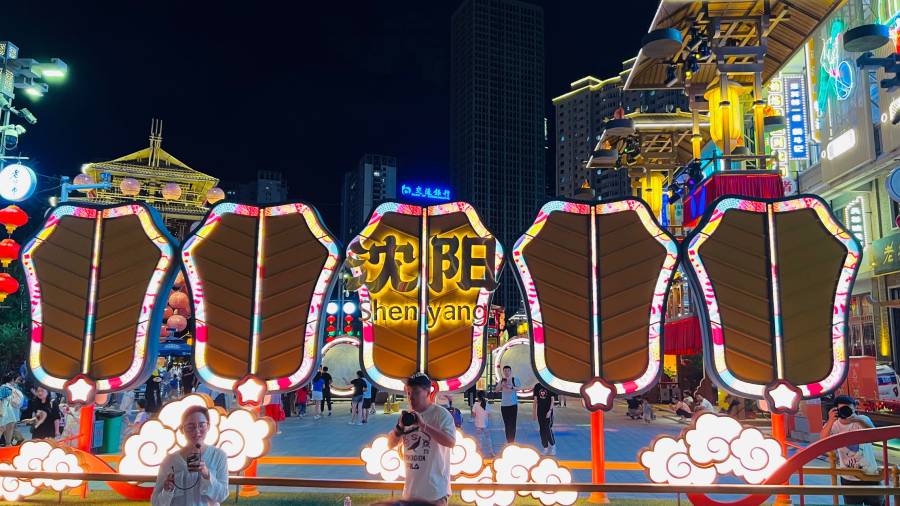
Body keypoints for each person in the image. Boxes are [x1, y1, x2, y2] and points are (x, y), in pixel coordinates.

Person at [385, 373, 456, 505]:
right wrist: (399, 428)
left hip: (435, 493)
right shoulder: (407, 417)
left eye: (416, 393)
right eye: (409, 393)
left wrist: (424, 426)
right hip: (410, 493)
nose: (411, 397)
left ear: (428, 392)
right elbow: (390, 444)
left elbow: (450, 442)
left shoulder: (441, 414)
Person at [151, 405, 229, 506]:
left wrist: (207, 474)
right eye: (190, 427)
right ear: (182, 429)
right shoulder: (170, 460)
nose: (196, 431)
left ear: (208, 426)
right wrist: (167, 490)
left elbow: (222, 496)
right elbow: (156, 503)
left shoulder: (218, 456)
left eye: (201, 425)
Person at [821, 395, 881, 506]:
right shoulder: (834, 425)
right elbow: (822, 440)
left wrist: (858, 420)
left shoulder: (862, 419)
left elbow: (876, 436)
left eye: (848, 409)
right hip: (849, 477)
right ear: (836, 410)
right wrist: (830, 420)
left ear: (854, 408)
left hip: (871, 474)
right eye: (842, 409)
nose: (845, 412)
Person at [532, 383, 556, 455]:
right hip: (540, 412)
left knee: (547, 428)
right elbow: (535, 400)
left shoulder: (549, 385)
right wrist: (534, 412)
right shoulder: (537, 386)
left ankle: (553, 446)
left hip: (548, 411)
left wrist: (550, 411)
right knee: (542, 430)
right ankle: (545, 447)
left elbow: (552, 400)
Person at [498, 365, 521, 443]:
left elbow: (519, 388)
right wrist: (501, 385)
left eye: (508, 371)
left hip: (513, 405)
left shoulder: (515, 379)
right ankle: (508, 440)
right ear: (503, 372)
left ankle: (512, 441)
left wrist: (511, 387)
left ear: (510, 371)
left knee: (513, 423)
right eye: (505, 371)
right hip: (504, 405)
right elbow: (496, 390)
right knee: (506, 424)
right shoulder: (501, 380)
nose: (506, 372)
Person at [0, 373, 23, 446]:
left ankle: (8, 444)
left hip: (10, 411)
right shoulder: (4, 388)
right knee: (3, 428)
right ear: (12, 379)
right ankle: (8, 443)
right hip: (6, 410)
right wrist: (1, 411)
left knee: (9, 427)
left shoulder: (11, 388)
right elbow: (0, 399)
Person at [472, 391, 494, 457]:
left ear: (477, 397)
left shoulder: (475, 404)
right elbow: (489, 415)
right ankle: (491, 452)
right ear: (485, 396)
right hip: (485, 424)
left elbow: (473, 415)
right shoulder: (487, 404)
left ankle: (480, 453)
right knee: (488, 438)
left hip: (478, 424)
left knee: (479, 439)